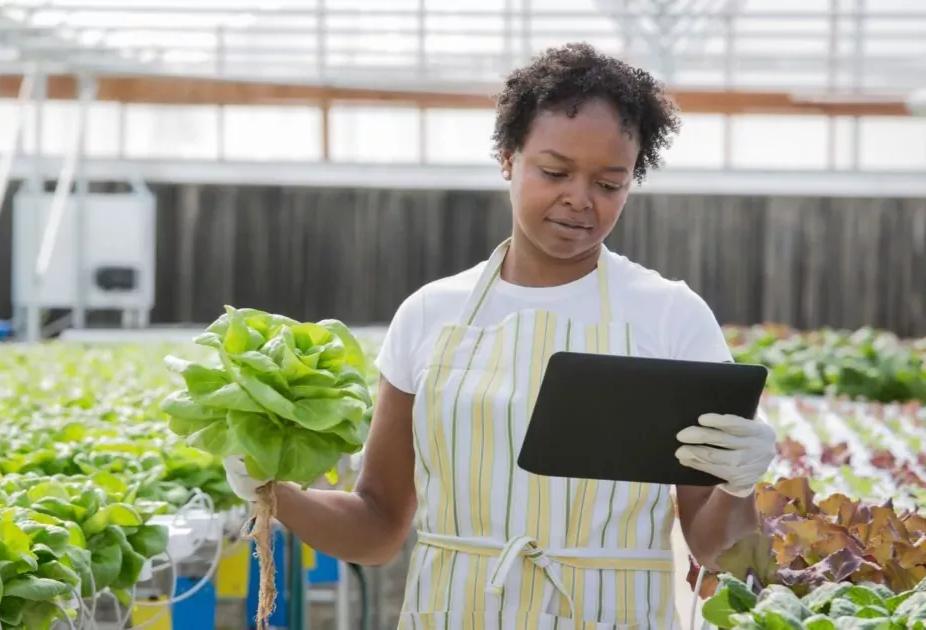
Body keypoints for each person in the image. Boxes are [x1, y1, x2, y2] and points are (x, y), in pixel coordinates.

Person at [223, 42, 777, 628]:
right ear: (508, 158)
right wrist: (276, 493)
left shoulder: (671, 317)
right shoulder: (431, 314)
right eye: (555, 171)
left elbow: (716, 551)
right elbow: (379, 526)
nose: (579, 199)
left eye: (610, 184)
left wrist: (739, 485)